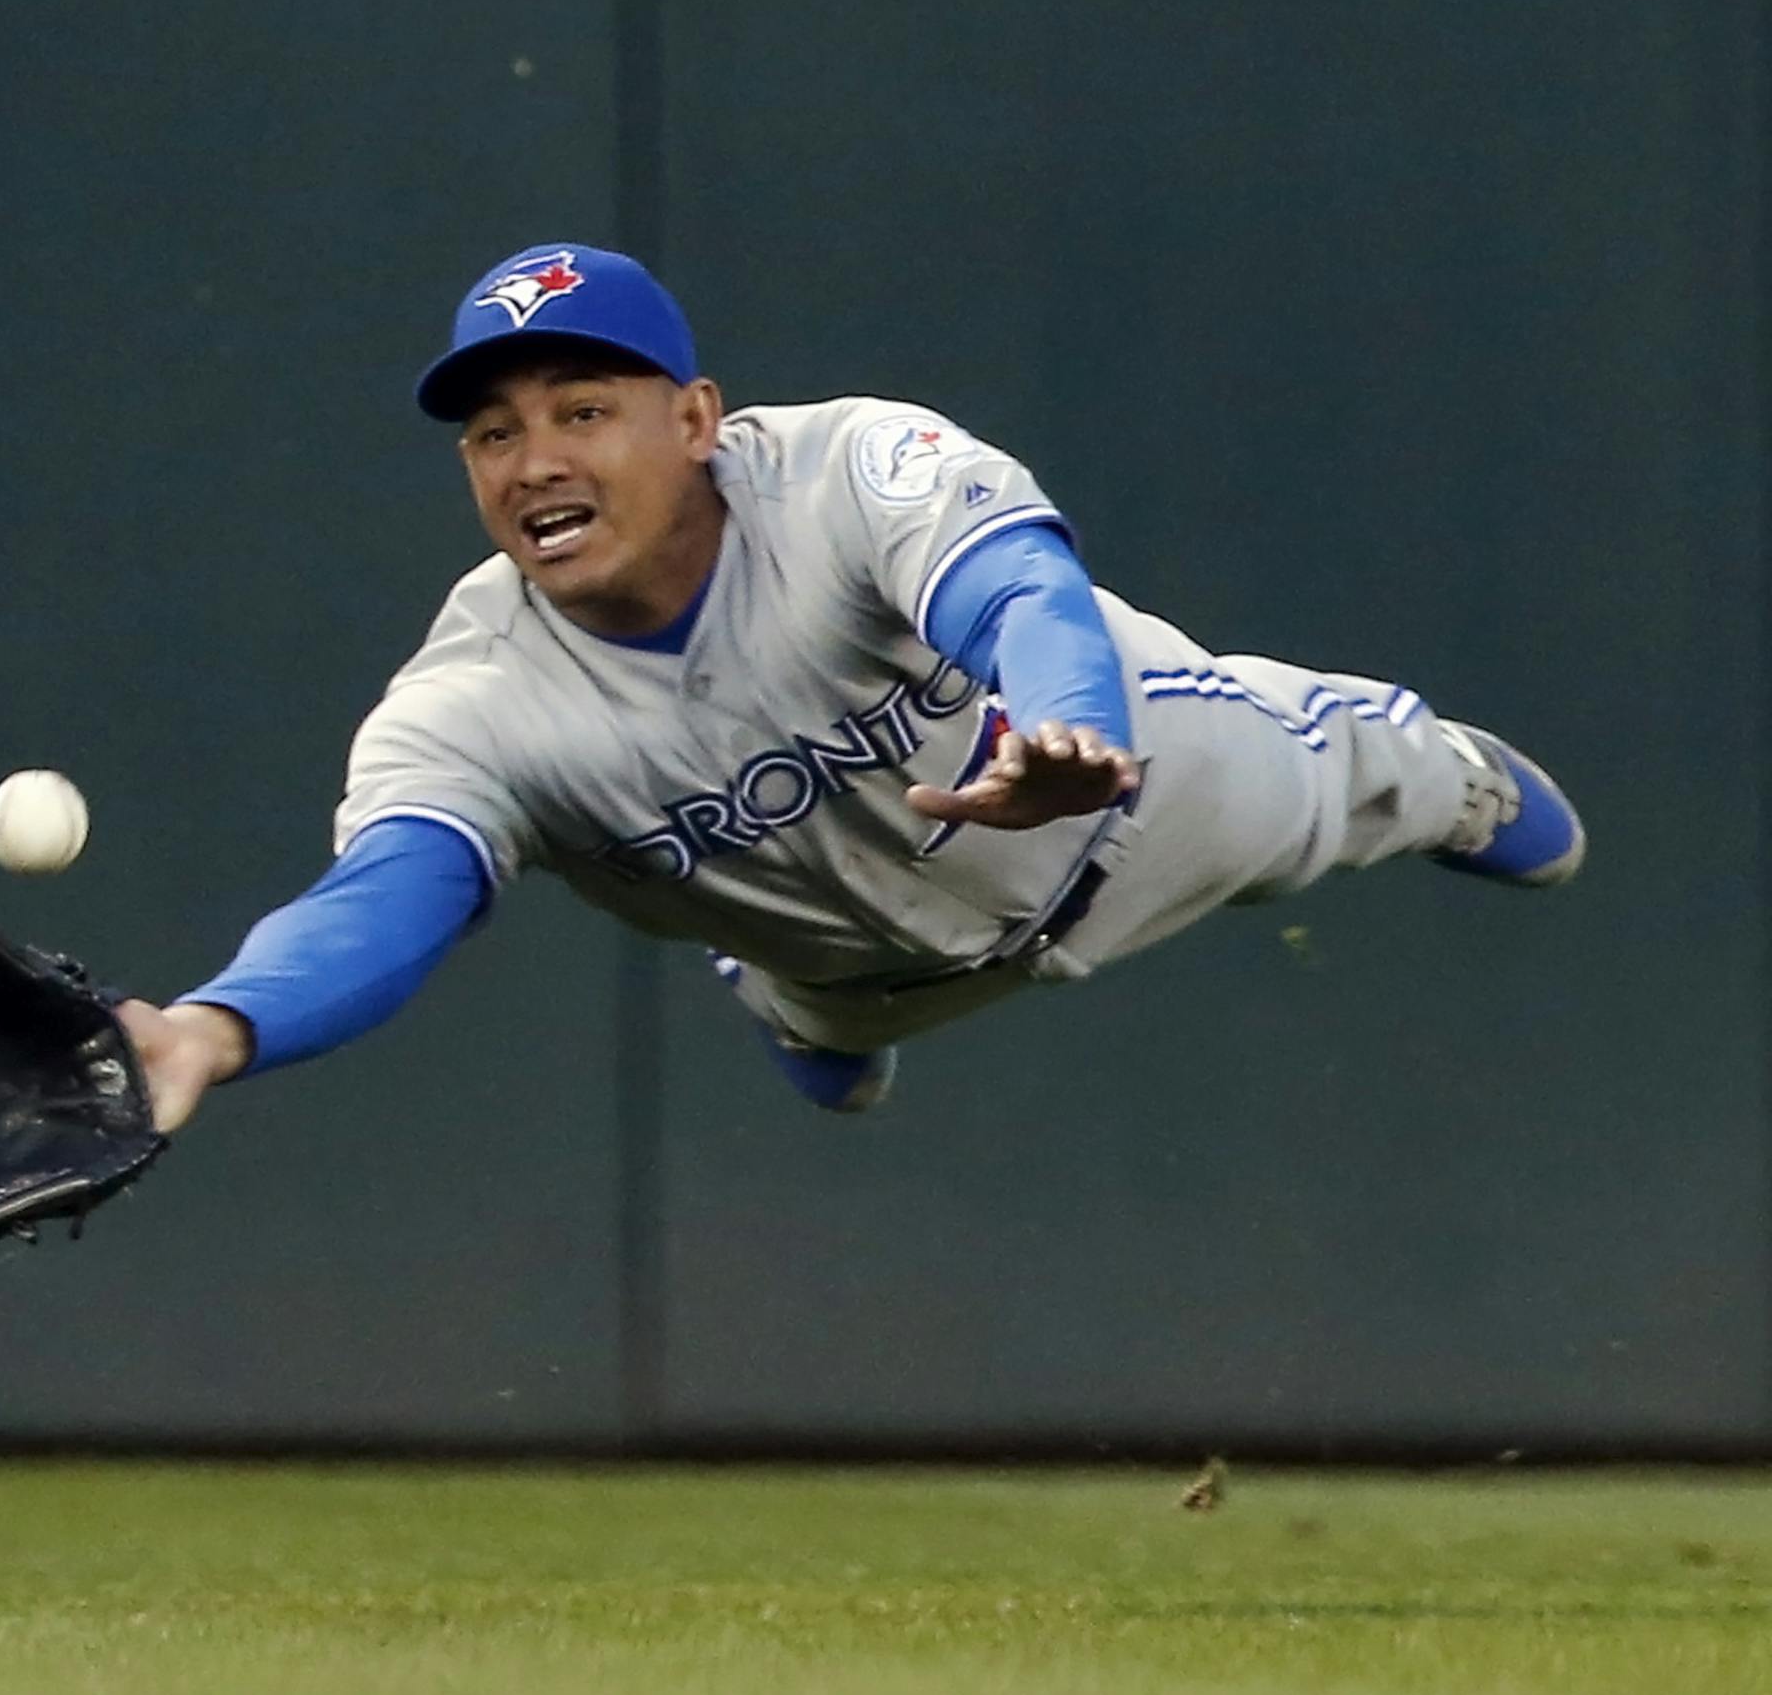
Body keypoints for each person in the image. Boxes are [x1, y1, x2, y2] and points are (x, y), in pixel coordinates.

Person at [115, 243, 1584, 1130]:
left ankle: (1457, 775)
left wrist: (1070, 720)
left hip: (1133, 811)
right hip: (869, 968)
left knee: (1350, 778)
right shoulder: (472, 699)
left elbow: (1020, 593)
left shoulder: (844, 471)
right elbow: (389, 894)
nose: (538, 459)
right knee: (823, 1003)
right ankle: (795, 1010)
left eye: (583, 409)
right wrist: (213, 1026)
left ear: (697, 419)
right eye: (496, 434)